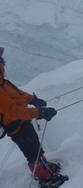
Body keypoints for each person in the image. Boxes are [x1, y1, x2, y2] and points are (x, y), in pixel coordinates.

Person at [0, 47, 67, 182]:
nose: (4, 62)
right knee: (31, 152)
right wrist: (39, 113)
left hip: (22, 121)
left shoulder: (2, 81)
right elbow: (13, 111)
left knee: (36, 146)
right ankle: (44, 177)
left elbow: (17, 94)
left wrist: (33, 99)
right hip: (15, 126)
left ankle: (44, 166)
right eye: (1, 60)